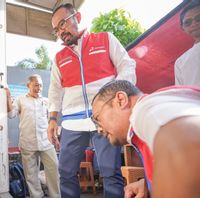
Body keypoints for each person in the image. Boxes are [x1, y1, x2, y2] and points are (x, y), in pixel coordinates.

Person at [48, 3, 136, 198]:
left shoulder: (105, 39)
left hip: (105, 118)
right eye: (56, 29)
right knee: (66, 172)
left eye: (62, 24)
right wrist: (53, 119)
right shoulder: (58, 58)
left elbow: (127, 65)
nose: (60, 32)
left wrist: (116, 98)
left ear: (77, 18)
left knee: (110, 171)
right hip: (72, 122)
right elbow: (54, 90)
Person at [91, 80, 200, 198]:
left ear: (121, 100)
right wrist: (150, 182)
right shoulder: (156, 109)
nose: (99, 129)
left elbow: (192, 147)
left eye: (97, 118)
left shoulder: (147, 109)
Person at [6, 74, 60, 198]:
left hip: (46, 141)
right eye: (36, 85)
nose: (38, 88)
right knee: (31, 174)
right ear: (28, 85)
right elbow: (11, 114)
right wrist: (8, 96)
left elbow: (51, 122)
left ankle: (55, 196)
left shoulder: (46, 101)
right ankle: (36, 196)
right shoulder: (20, 99)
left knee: (54, 168)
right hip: (28, 142)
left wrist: (55, 138)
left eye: (40, 85)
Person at [175, 0, 200, 88]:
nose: (194, 24)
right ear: (183, 28)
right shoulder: (180, 62)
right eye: (187, 22)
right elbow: (183, 95)